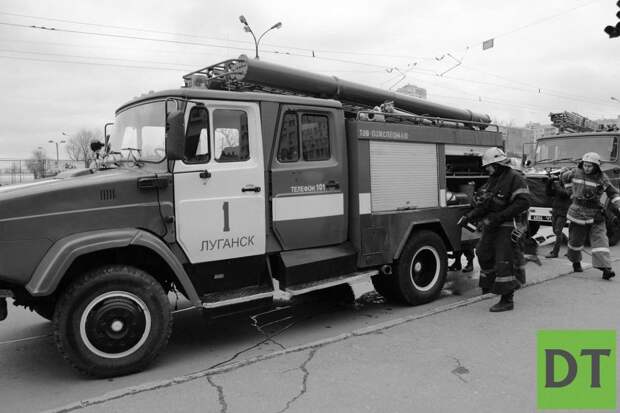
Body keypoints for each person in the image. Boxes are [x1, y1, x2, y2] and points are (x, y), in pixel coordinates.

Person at [458, 147, 531, 312]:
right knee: (482, 252)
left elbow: (524, 202)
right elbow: (486, 204)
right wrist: (469, 216)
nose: (487, 170)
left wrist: (498, 217)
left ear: (497, 165)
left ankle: (507, 299)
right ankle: (490, 285)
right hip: (492, 224)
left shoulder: (515, 178)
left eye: (488, 166)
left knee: (503, 260)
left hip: (508, 224)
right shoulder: (494, 180)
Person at [561, 152, 620, 280]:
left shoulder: (602, 178)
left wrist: (618, 205)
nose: (587, 168)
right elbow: (564, 178)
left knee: (601, 241)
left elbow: (613, 193)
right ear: (582, 164)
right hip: (578, 214)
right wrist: (571, 192)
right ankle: (576, 262)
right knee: (575, 242)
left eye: (590, 166)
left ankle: (606, 269)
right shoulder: (575, 172)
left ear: (596, 167)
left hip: (596, 214)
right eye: (585, 165)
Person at [544, 172, 571, 258]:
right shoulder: (558, 185)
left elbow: (564, 194)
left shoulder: (570, 186)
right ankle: (571, 249)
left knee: (558, 231)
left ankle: (555, 252)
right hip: (555, 210)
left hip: (563, 212)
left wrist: (556, 184)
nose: (560, 176)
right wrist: (549, 183)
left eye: (562, 175)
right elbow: (549, 193)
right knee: (556, 231)